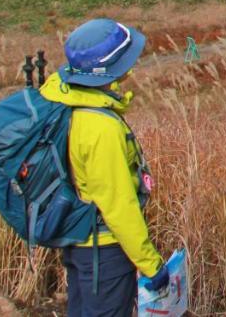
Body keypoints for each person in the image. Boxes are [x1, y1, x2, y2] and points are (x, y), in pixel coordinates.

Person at [39, 19, 168, 316]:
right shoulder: (100, 127)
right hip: (104, 250)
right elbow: (118, 204)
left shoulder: (60, 98)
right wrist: (150, 264)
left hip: (77, 240)